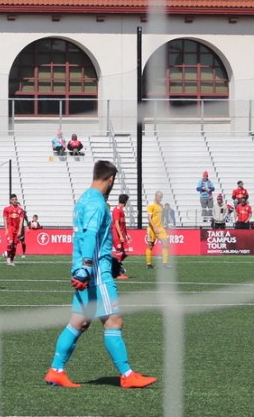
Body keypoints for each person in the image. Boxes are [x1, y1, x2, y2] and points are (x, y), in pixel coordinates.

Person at [43, 160, 156, 389]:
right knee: (114, 320)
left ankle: (56, 371)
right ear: (111, 179)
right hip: (95, 273)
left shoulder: (84, 199)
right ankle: (127, 375)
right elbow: (91, 234)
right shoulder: (97, 203)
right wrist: (87, 266)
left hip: (85, 268)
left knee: (79, 321)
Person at [146, 191, 170, 269]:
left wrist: (164, 224)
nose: (161, 199)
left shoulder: (161, 206)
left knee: (165, 244)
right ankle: (149, 264)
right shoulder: (151, 205)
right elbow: (149, 218)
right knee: (150, 245)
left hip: (160, 227)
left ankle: (165, 263)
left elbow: (161, 217)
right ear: (156, 196)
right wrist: (154, 227)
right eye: (160, 197)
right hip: (151, 228)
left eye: (161, 197)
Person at [3, 194, 26, 266]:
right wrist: (6, 229)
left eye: (15, 199)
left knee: (14, 245)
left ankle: (12, 260)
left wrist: (19, 231)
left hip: (17, 230)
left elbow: (21, 221)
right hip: (10, 229)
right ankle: (8, 259)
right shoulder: (6, 209)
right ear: (10, 200)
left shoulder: (20, 210)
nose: (14, 201)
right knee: (10, 243)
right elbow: (5, 219)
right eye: (13, 200)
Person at [111, 194, 130, 280]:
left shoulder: (121, 210)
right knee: (119, 252)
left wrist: (126, 234)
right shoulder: (117, 210)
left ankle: (115, 266)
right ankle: (118, 272)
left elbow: (122, 224)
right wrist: (121, 235)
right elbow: (116, 223)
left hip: (122, 235)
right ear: (125, 201)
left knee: (126, 252)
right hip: (116, 235)